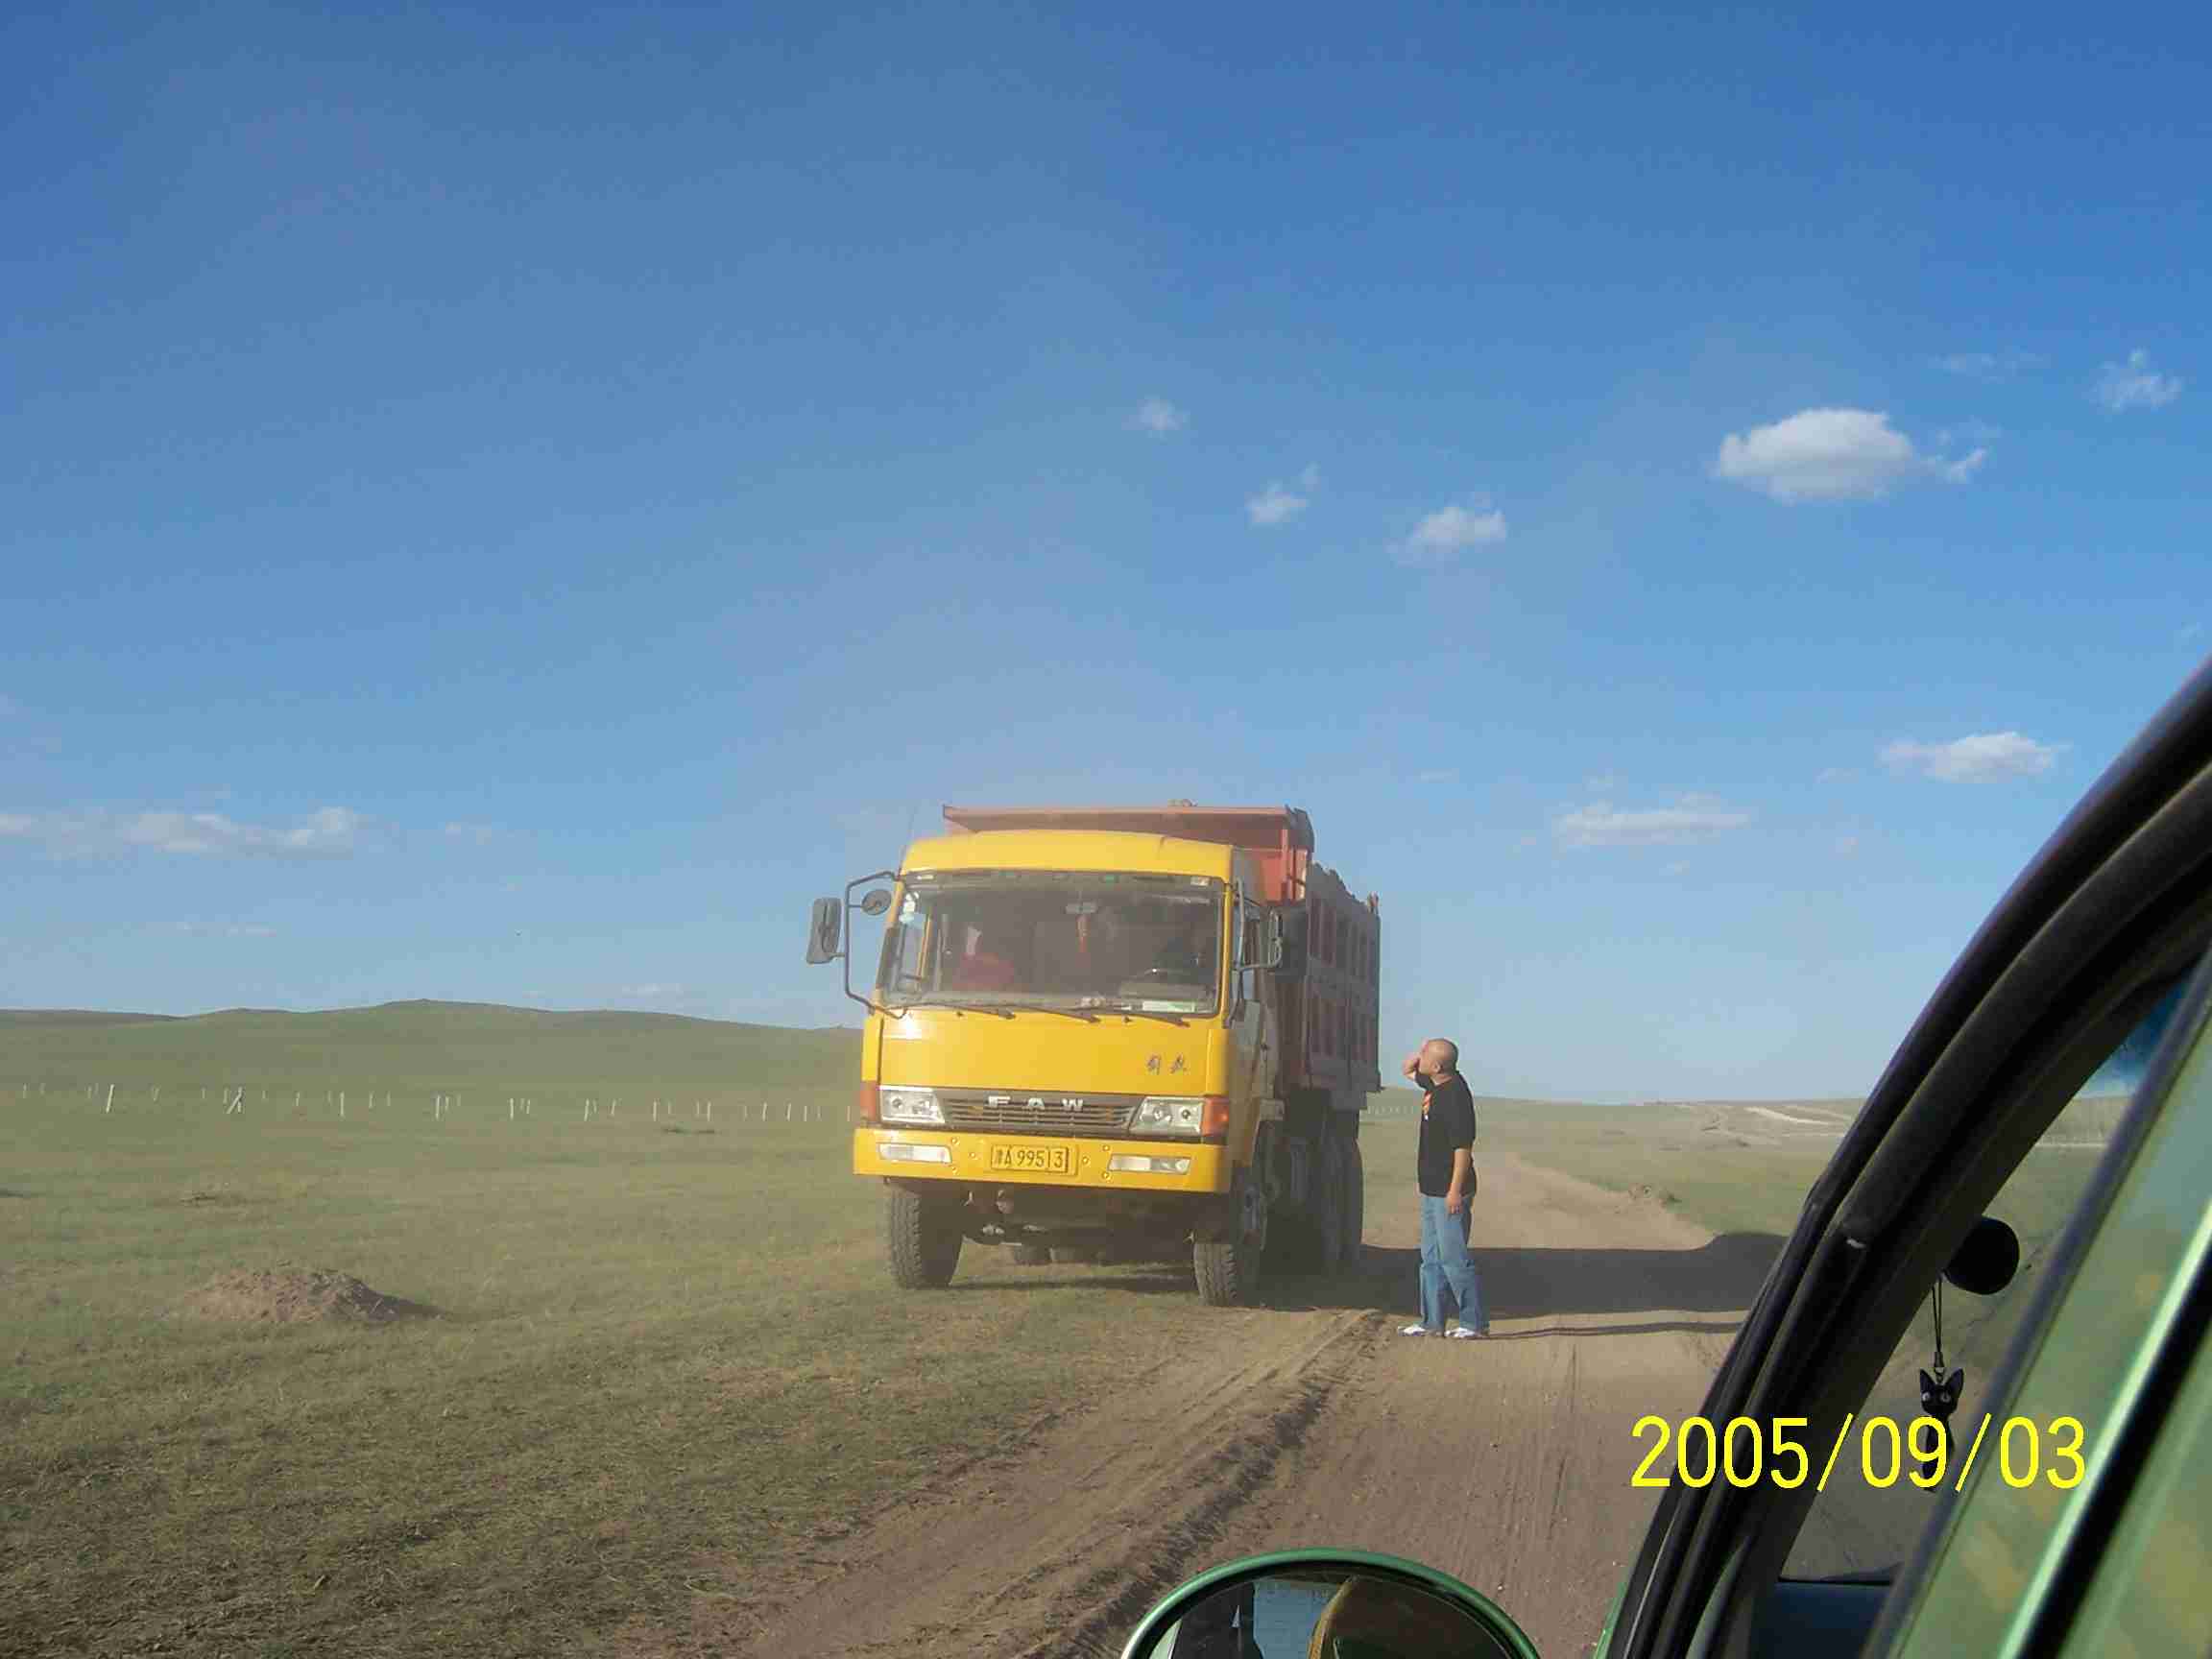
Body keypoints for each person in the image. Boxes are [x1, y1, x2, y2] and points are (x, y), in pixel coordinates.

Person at [1399, 1038, 1489, 1339]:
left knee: (1454, 1258)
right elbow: (1407, 1069)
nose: (1420, 1057)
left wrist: (1455, 1191)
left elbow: (1462, 1150)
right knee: (1431, 1259)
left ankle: (1474, 1323)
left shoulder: (1455, 1098)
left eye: (1426, 1054)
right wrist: (1424, 1049)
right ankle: (1431, 1322)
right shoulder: (1436, 1083)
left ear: (1438, 1066)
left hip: (1450, 1191)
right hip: (1431, 1189)